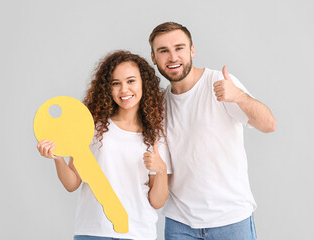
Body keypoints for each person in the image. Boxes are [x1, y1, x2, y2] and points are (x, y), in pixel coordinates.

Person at [148, 22, 276, 240]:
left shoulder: (219, 83)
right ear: (154, 58)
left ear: (192, 50)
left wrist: (238, 96)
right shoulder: (159, 105)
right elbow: (164, 172)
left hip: (231, 220)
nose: (172, 57)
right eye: (163, 51)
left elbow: (269, 125)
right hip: (180, 224)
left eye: (179, 48)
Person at [37, 50, 172, 240]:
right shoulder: (93, 127)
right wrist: (58, 158)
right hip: (93, 231)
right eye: (116, 83)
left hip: (137, 233)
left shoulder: (156, 136)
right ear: (107, 88)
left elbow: (157, 202)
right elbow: (72, 183)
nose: (124, 90)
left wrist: (161, 169)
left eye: (131, 81)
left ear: (144, 83)